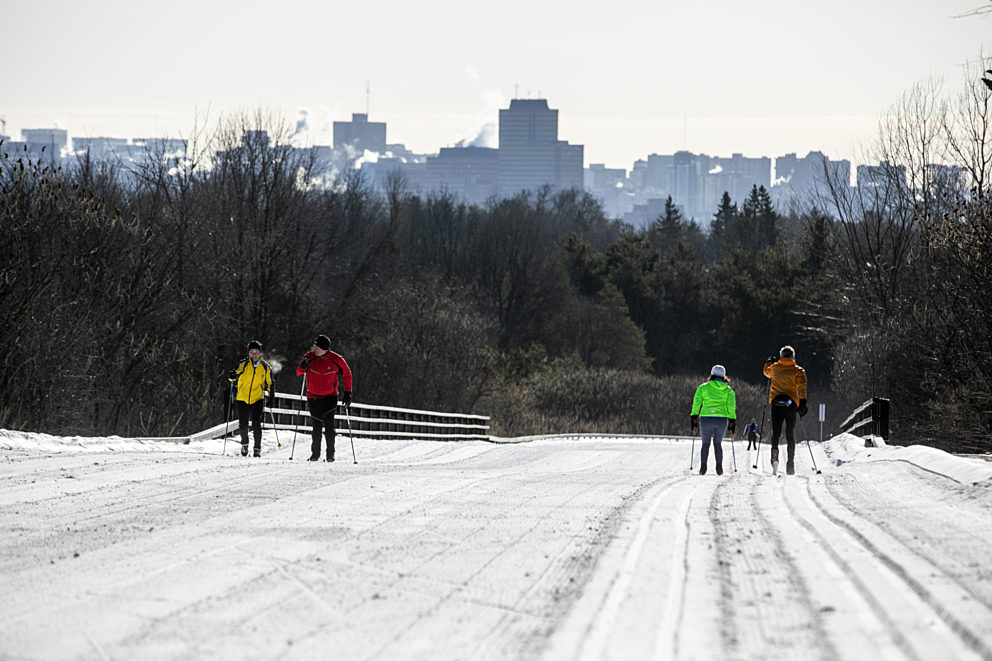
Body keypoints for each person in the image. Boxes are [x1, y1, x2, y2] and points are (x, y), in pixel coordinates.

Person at [297, 334, 352, 462]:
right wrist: (302, 367)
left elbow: (347, 374)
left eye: (317, 347)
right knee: (316, 425)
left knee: (329, 425)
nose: (315, 349)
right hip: (313, 396)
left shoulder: (336, 359)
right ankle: (315, 454)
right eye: (314, 346)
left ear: (325, 349)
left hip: (330, 397)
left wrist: (348, 393)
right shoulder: (309, 357)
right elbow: (298, 372)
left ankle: (330, 454)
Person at [762, 345, 808, 475]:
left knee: (776, 434)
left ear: (781, 356)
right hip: (791, 404)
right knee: (790, 435)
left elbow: (766, 373)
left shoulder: (774, 368)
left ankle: (774, 457)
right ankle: (790, 465)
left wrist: (768, 362)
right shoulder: (798, 371)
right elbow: (803, 387)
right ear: (793, 357)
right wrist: (803, 403)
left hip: (776, 403)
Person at [228, 340, 274, 457]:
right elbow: (233, 376)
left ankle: (257, 448)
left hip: (257, 398)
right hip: (242, 398)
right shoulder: (243, 364)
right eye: (251, 352)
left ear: (260, 353)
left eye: (256, 352)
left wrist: (271, 396)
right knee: (243, 424)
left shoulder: (265, 367)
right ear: (248, 353)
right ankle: (244, 444)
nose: (254, 355)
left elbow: (270, 383)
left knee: (256, 424)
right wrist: (231, 376)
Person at [690, 365, 737, 475]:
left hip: (706, 418)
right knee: (717, 443)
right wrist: (732, 420)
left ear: (711, 374)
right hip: (722, 419)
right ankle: (719, 467)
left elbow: (696, 403)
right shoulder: (728, 390)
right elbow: (731, 407)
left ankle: (703, 467)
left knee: (705, 444)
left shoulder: (702, 388)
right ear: (723, 376)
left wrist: (694, 417)